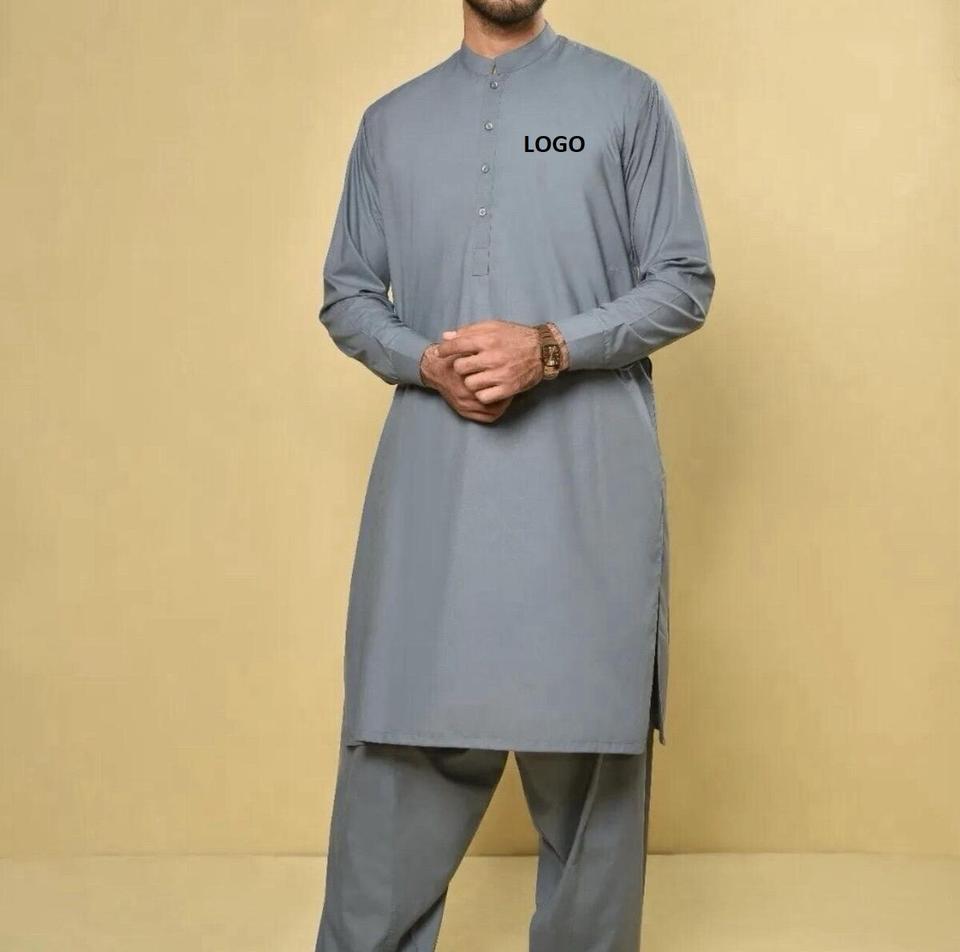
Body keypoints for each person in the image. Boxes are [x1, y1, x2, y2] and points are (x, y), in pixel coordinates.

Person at [313, 1, 716, 948]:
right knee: (395, 762)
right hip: (437, 501)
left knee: (593, 793)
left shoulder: (625, 101)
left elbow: (683, 279)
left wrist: (550, 345)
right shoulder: (391, 124)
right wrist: (423, 360)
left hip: (586, 495)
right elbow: (348, 292)